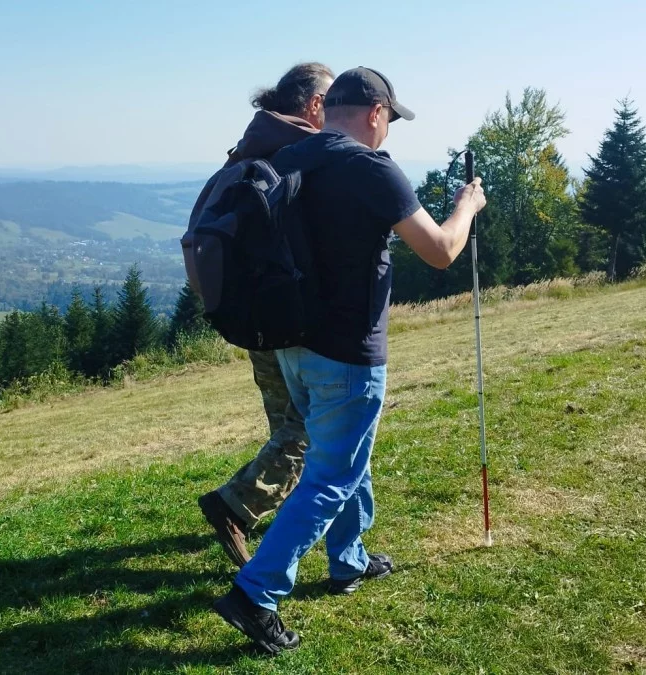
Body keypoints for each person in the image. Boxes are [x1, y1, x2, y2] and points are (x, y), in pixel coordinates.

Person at [212, 67, 488, 654]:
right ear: (375, 113)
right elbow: (439, 251)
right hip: (347, 350)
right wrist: (466, 206)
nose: (388, 130)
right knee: (332, 475)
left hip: (291, 342)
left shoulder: (291, 155)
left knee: (346, 456)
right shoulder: (370, 167)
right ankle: (255, 593)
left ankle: (349, 560)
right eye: (389, 119)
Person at [186, 62, 335, 568]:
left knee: (286, 424)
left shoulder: (251, 145)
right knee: (310, 427)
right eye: (331, 102)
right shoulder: (301, 149)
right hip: (290, 314)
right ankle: (236, 505)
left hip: (253, 311)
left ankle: (288, 515)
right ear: (314, 104)